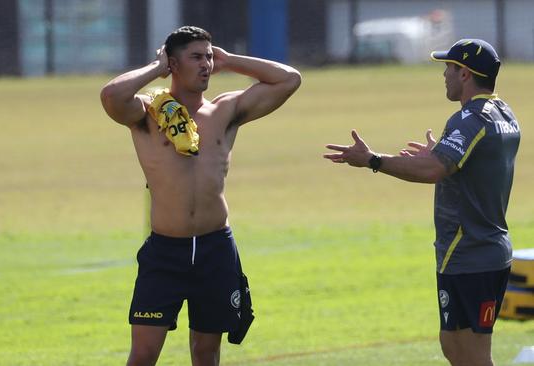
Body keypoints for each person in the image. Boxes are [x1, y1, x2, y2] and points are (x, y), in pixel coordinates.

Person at [101, 26, 301, 365]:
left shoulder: (225, 111)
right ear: (173, 63)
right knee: (144, 353)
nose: (206, 64)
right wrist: (154, 68)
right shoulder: (147, 113)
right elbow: (110, 95)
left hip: (215, 247)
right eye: (196, 57)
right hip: (166, 250)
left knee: (206, 352)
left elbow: (289, 79)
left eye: (209, 56)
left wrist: (231, 60)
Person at [324, 39, 519, 366]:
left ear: (466, 74)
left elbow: (433, 170)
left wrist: (373, 159)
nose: (444, 74)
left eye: (449, 67)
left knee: (473, 355)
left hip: (472, 252)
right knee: (453, 346)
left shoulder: (470, 119)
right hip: (471, 252)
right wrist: (441, 154)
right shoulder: (503, 113)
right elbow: (472, 164)